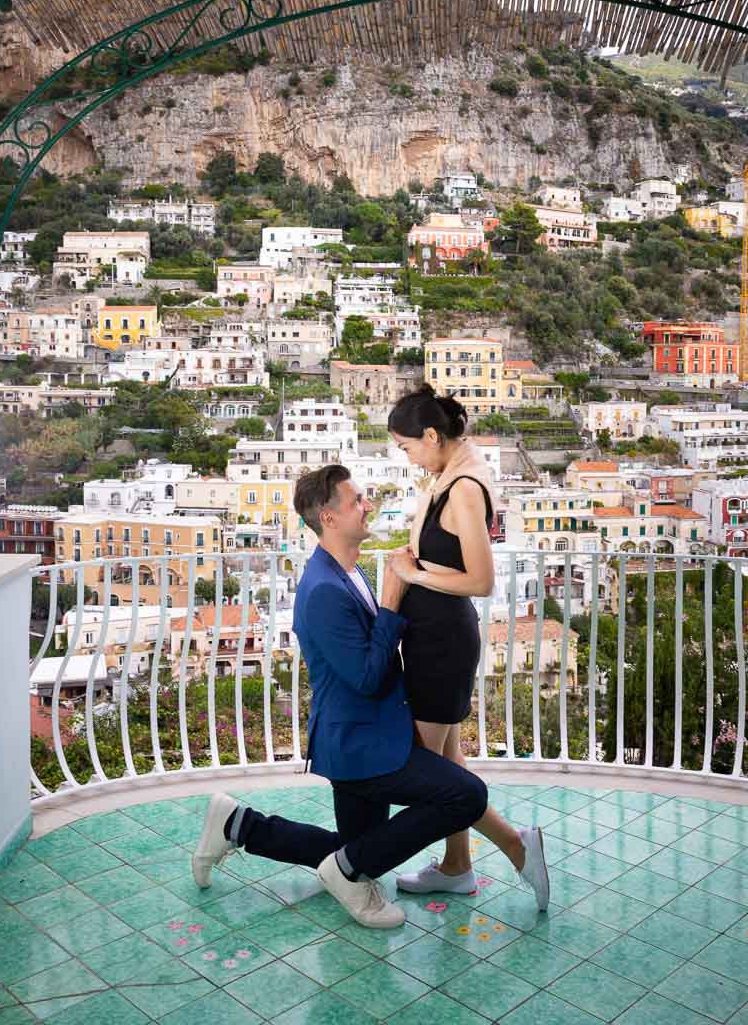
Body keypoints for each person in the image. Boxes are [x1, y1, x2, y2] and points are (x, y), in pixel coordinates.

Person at [193, 464, 549, 928]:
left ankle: (237, 824)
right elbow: (364, 677)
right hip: (358, 746)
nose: (368, 505)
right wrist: (391, 600)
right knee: (463, 795)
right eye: (357, 500)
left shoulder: (347, 570)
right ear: (329, 517)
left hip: (369, 730)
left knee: (359, 854)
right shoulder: (322, 589)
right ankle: (341, 871)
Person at [387, 384, 510, 895]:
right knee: (449, 764)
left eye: (408, 446)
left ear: (433, 436)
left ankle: (516, 845)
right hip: (431, 634)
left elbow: (481, 580)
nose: (409, 458)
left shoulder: (462, 487)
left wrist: (414, 578)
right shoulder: (451, 473)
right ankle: (458, 867)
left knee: (420, 769)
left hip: (442, 641)